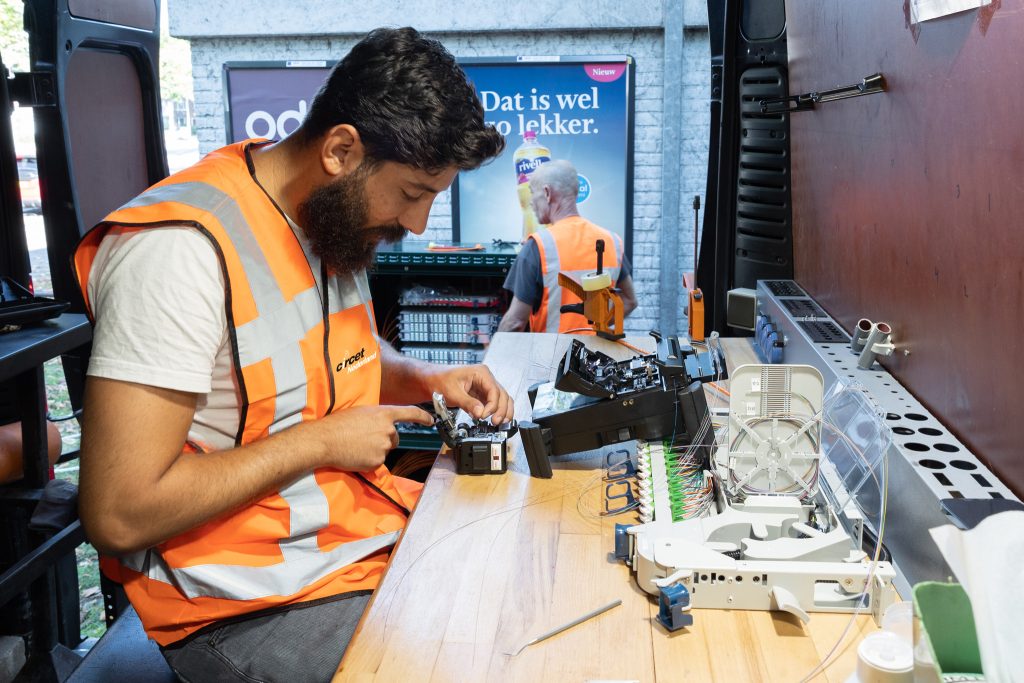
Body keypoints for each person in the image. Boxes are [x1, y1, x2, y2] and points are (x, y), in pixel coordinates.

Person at [72, 27, 512, 682]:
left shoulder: (328, 217)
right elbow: (119, 511)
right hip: (238, 603)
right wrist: (320, 443)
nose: (417, 222)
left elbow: (341, 360)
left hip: (347, 547)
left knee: (516, 594)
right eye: (413, 193)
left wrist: (427, 377)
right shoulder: (177, 252)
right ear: (341, 150)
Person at [497, 159, 637, 333]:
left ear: (547, 193)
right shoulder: (612, 241)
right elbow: (630, 301)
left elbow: (515, 322)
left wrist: (494, 349)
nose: (531, 201)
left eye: (532, 192)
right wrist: (592, 327)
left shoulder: (538, 246)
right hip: (597, 350)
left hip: (550, 351)